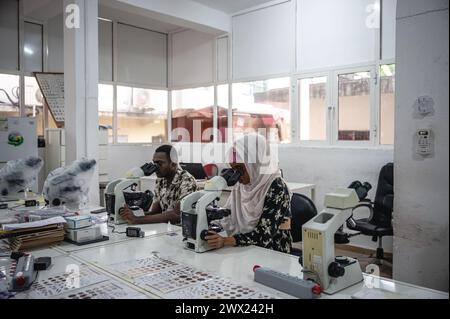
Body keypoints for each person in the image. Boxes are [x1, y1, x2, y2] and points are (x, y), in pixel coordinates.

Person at [206, 133, 292, 253]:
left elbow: (264, 236)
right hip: (243, 247)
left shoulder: (277, 187)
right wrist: (212, 229)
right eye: (233, 169)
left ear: (255, 163)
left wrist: (226, 241)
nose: (237, 175)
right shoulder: (242, 185)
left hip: (273, 252)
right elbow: (227, 217)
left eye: (240, 169)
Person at [119, 145, 197, 225]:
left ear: (173, 165)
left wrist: (137, 220)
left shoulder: (187, 180)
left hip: (183, 231)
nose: (155, 168)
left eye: (159, 163)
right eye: (154, 163)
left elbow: (176, 215)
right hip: (168, 229)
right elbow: (155, 212)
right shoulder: (160, 181)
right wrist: (132, 214)